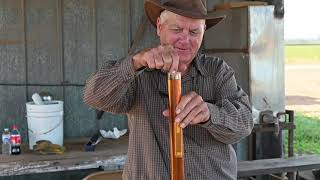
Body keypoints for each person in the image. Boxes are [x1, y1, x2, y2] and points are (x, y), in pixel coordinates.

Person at [83, 0, 253, 179]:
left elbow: (244, 122)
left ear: (203, 32)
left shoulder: (217, 71)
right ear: (159, 26)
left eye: (194, 32)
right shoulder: (138, 74)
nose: (185, 40)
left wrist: (209, 114)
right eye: (177, 30)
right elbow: (94, 97)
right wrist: (135, 62)